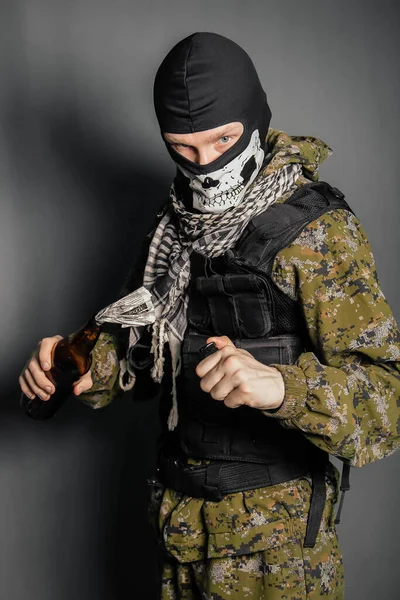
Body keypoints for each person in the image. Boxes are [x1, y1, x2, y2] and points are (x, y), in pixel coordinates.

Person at [19, 32, 400, 599]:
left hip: (279, 554)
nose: (206, 165)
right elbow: (137, 346)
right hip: (181, 530)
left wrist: (282, 389)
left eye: (223, 139)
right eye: (184, 147)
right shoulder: (174, 229)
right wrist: (69, 366)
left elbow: (387, 400)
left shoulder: (316, 232)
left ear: (254, 120)